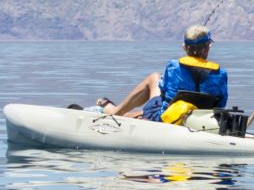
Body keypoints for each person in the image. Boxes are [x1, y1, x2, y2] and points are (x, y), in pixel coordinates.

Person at [97, 25, 229, 121]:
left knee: (154, 78)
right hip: (202, 120)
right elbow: (221, 104)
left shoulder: (173, 67)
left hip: (167, 117)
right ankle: (117, 112)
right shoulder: (221, 74)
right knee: (149, 108)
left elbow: (164, 92)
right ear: (208, 48)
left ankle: (113, 111)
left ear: (184, 47)